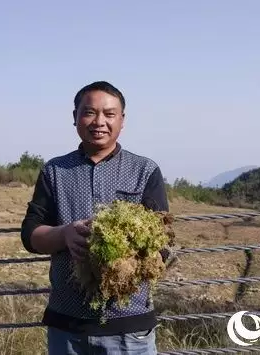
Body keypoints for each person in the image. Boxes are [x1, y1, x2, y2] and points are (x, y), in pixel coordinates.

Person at [20, 80, 175, 354]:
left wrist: (121, 261)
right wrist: (64, 234)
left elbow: (161, 244)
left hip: (129, 329)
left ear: (122, 120)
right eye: (89, 112)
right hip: (67, 327)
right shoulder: (55, 171)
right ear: (75, 117)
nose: (99, 121)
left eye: (109, 114)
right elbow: (31, 235)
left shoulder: (144, 170)